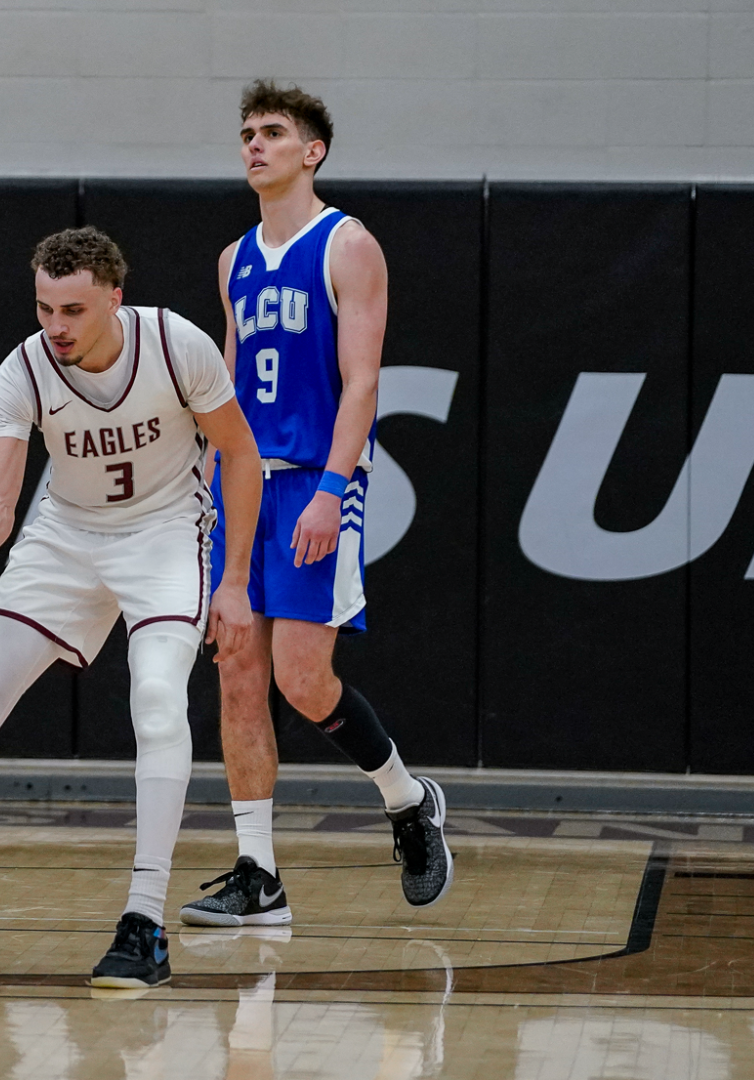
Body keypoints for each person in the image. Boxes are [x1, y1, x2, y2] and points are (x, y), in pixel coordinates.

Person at [0, 226, 264, 988]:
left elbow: (239, 453)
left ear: (114, 296)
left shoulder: (176, 345)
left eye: (72, 309)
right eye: (43, 309)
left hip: (165, 533)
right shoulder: (22, 371)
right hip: (63, 536)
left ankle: (143, 922)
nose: (56, 327)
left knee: (157, 701)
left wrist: (233, 581)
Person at [183, 80, 451, 928]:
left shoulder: (348, 244)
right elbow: (221, 386)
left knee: (302, 681)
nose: (253, 146)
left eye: (271, 133)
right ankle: (256, 874)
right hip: (244, 483)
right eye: (245, 134)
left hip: (314, 480)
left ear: (313, 151)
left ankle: (406, 800)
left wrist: (333, 491)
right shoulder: (231, 258)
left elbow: (363, 381)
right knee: (235, 680)